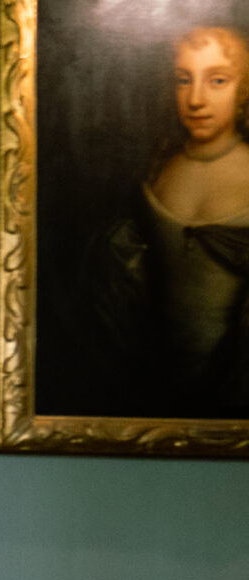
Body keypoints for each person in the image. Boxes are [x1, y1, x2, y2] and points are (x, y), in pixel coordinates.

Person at [83, 26, 249, 418]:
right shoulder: (158, 170)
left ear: (243, 90)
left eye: (217, 80)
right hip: (153, 387)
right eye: (183, 80)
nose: (196, 99)